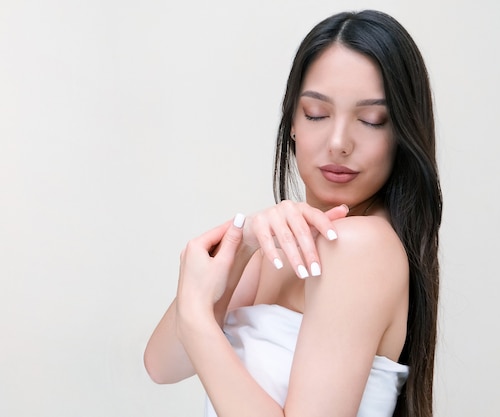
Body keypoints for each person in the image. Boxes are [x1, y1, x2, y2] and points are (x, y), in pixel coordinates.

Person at [144, 9, 442, 417]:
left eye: (372, 120)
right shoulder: (278, 246)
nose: (339, 142)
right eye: (317, 113)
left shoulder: (359, 246)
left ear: (402, 135)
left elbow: (190, 334)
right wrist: (243, 242)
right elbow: (162, 365)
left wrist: (196, 317)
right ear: (293, 122)